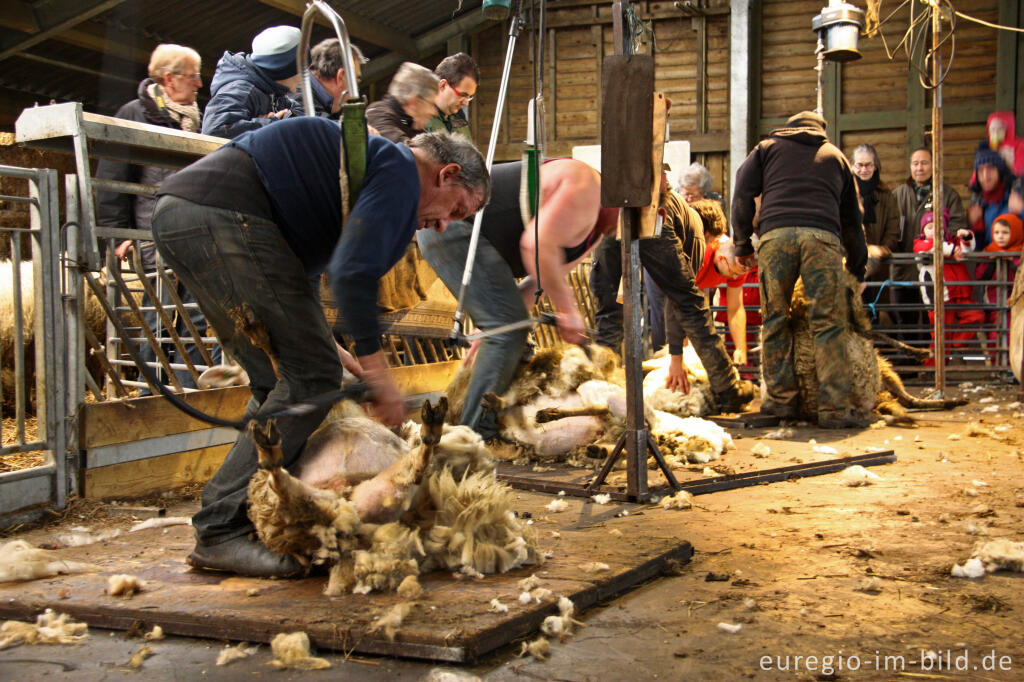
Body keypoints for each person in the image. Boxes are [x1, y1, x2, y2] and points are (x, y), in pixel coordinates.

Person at [151, 122, 489, 577]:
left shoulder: (375, 169)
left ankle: (250, 513)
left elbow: (295, 274)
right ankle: (219, 530)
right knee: (310, 379)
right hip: (224, 214)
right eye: (457, 210)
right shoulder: (399, 172)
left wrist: (332, 350)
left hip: (190, 215)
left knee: (283, 380)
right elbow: (352, 276)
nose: (444, 224)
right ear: (446, 174)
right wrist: (377, 375)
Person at [419, 159, 616, 437]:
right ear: (628, 199)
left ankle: (493, 421)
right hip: (451, 224)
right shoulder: (587, 187)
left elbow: (533, 287)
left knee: (508, 329)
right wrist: (566, 310)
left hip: (479, 244)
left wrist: (493, 325)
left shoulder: (595, 232)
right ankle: (474, 436)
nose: (626, 232)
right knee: (508, 332)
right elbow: (535, 244)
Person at [732, 111, 868, 428]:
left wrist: (742, 242)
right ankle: (834, 410)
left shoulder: (766, 149)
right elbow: (852, 220)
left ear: (789, 129)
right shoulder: (835, 156)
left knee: (775, 320)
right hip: (822, 238)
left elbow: (742, 190)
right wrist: (858, 267)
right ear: (821, 131)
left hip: (775, 237)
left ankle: (780, 404)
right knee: (828, 323)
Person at [95, 44, 218, 392]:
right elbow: (112, 178)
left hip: (196, 236)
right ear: (169, 78)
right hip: (153, 236)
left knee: (196, 317)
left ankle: (191, 391)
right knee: (159, 318)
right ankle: (155, 395)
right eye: (193, 76)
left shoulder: (200, 119)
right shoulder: (134, 114)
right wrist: (119, 235)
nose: (199, 84)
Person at [590, 167, 756, 410]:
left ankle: (600, 393)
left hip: (612, 217)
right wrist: (676, 358)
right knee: (691, 304)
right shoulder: (698, 232)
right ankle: (728, 387)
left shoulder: (685, 218)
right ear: (714, 237)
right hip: (655, 217)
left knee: (609, 314)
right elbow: (680, 300)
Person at [892, 146, 967, 345]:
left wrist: (936, 242)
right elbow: (889, 227)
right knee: (903, 320)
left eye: (924, 163)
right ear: (910, 167)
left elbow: (958, 224)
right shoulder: (898, 194)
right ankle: (908, 366)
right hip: (903, 269)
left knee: (931, 322)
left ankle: (929, 365)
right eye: (915, 163)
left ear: (934, 165)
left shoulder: (947, 194)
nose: (919, 168)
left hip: (933, 271)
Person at [201, 25, 303, 139]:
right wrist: (271, 125)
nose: (303, 76)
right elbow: (215, 130)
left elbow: (299, 114)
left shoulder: (274, 93)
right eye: (302, 69)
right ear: (286, 68)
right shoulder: (241, 90)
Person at [914, 210, 984, 360]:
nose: (934, 231)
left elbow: (966, 248)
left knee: (976, 315)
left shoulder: (952, 240)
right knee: (939, 337)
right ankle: (932, 371)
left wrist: (966, 237)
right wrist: (951, 250)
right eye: (929, 227)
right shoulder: (920, 244)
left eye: (938, 227)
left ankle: (955, 344)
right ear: (923, 231)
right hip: (939, 297)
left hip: (959, 293)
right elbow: (930, 248)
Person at [850, 144, 901, 283]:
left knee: (877, 303)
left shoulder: (885, 194)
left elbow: (893, 227)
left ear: (875, 166)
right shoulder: (844, 192)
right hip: (850, 262)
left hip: (880, 264)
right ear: (852, 166)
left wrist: (882, 249)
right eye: (859, 165)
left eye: (868, 165)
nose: (864, 170)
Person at [975, 213, 1023, 355]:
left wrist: (1012, 261)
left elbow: (1021, 275)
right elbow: (980, 275)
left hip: (1017, 304)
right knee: (994, 335)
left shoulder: (1021, 253)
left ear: (1015, 232)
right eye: (996, 232)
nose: (1000, 236)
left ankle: (1010, 369)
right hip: (993, 303)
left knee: (1013, 336)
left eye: (1005, 232)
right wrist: (992, 261)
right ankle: (997, 368)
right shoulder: (989, 251)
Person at [290, 39, 367, 118]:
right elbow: (318, 127)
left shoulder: (329, 105)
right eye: (355, 81)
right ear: (341, 76)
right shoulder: (299, 99)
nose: (356, 91)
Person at [365, 62, 440, 143]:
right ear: (413, 101)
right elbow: (405, 152)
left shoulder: (409, 123)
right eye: (431, 104)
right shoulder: (377, 113)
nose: (434, 112)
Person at [967, 146, 1015, 250]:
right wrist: (970, 224)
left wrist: (1020, 212)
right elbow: (974, 248)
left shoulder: (1015, 196)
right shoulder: (977, 203)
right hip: (988, 262)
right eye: (980, 170)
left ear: (999, 171)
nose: (985, 175)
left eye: (990, 168)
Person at [424, 53, 479, 139]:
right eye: (462, 95)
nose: (466, 103)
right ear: (442, 85)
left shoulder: (459, 115)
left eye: (469, 97)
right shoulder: (419, 118)